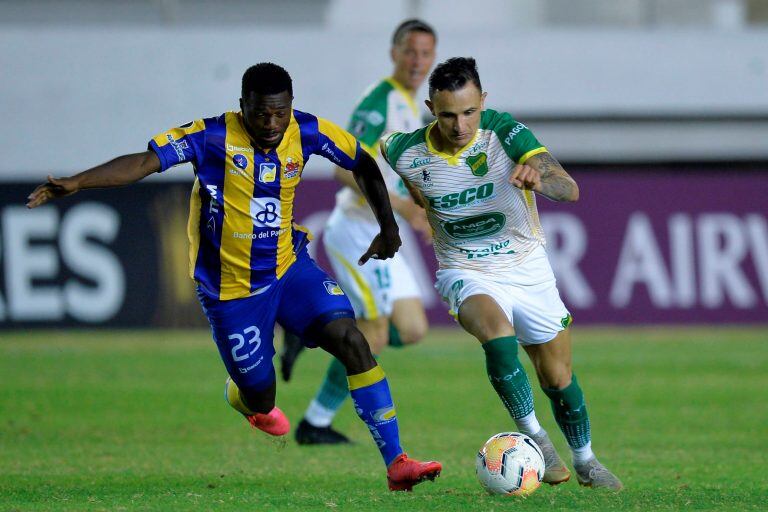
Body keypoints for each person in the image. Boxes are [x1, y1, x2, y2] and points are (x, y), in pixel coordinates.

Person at [26, 62, 442, 492]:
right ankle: (244, 397)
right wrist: (77, 182)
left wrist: (388, 225)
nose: (271, 123)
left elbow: (362, 161)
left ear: (291, 106)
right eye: (261, 113)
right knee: (262, 398)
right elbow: (146, 162)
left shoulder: (309, 130)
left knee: (353, 341)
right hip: (231, 290)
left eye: (280, 113)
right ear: (242, 105)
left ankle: (397, 463)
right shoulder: (210, 136)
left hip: (288, 268)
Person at [379, 57, 623, 491]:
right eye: (449, 115)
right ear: (432, 108)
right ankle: (537, 439)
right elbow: (383, 177)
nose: (460, 125)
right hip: (465, 269)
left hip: (527, 266)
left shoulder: (505, 133)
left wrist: (539, 180)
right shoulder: (402, 150)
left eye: (470, 112)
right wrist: (390, 224)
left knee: (558, 378)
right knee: (497, 333)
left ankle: (586, 461)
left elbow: (569, 188)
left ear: (483, 102)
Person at [281, 19, 438, 445]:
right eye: (410, 51)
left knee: (410, 329)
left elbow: (395, 171)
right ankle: (315, 422)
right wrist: (403, 207)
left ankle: (310, 330)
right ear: (394, 53)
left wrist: (419, 206)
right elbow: (343, 167)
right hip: (356, 231)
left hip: (381, 232)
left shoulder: (409, 104)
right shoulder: (380, 100)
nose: (417, 61)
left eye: (425, 53)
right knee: (374, 332)